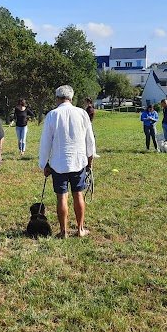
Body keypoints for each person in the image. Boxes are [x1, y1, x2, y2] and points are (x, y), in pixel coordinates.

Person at [38, 85, 96, 238]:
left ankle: (63, 231)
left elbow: (45, 142)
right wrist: (90, 159)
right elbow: (90, 139)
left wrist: (44, 164)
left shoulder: (52, 115)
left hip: (58, 163)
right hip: (78, 161)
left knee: (61, 196)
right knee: (78, 194)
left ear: (57, 98)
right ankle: (80, 229)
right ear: (71, 97)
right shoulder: (82, 113)